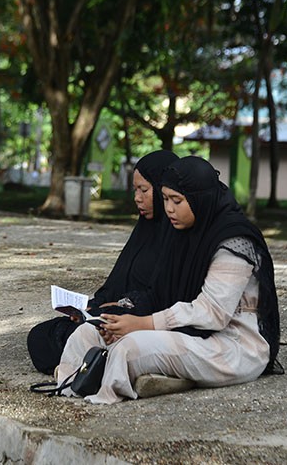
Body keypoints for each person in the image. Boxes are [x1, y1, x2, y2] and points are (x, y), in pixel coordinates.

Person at [56, 156, 280, 404]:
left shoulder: (233, 240)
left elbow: (212, 312)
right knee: (85, 334)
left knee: (129, 348)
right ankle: (70, 387)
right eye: (165, 199)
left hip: (230, 346)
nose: (169, 209)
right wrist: (117, 321)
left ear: (200, 199)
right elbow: (159, 293)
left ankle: (111, 390)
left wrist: (142, 324)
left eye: (177, 200)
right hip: (184, 333)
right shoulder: (182, 232)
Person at [27, 150, 178, 375]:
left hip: (144, 321)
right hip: (113, 314)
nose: (137, 197)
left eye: (144, 190)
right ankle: (92, 364)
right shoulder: (143, 232)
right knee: (40, 335)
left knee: (94, 335)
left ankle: (95, 367)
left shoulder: (177, 237)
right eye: (135, 190)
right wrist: (90, 307)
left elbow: (167, 296)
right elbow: (117, 281)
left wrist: (125, 305)